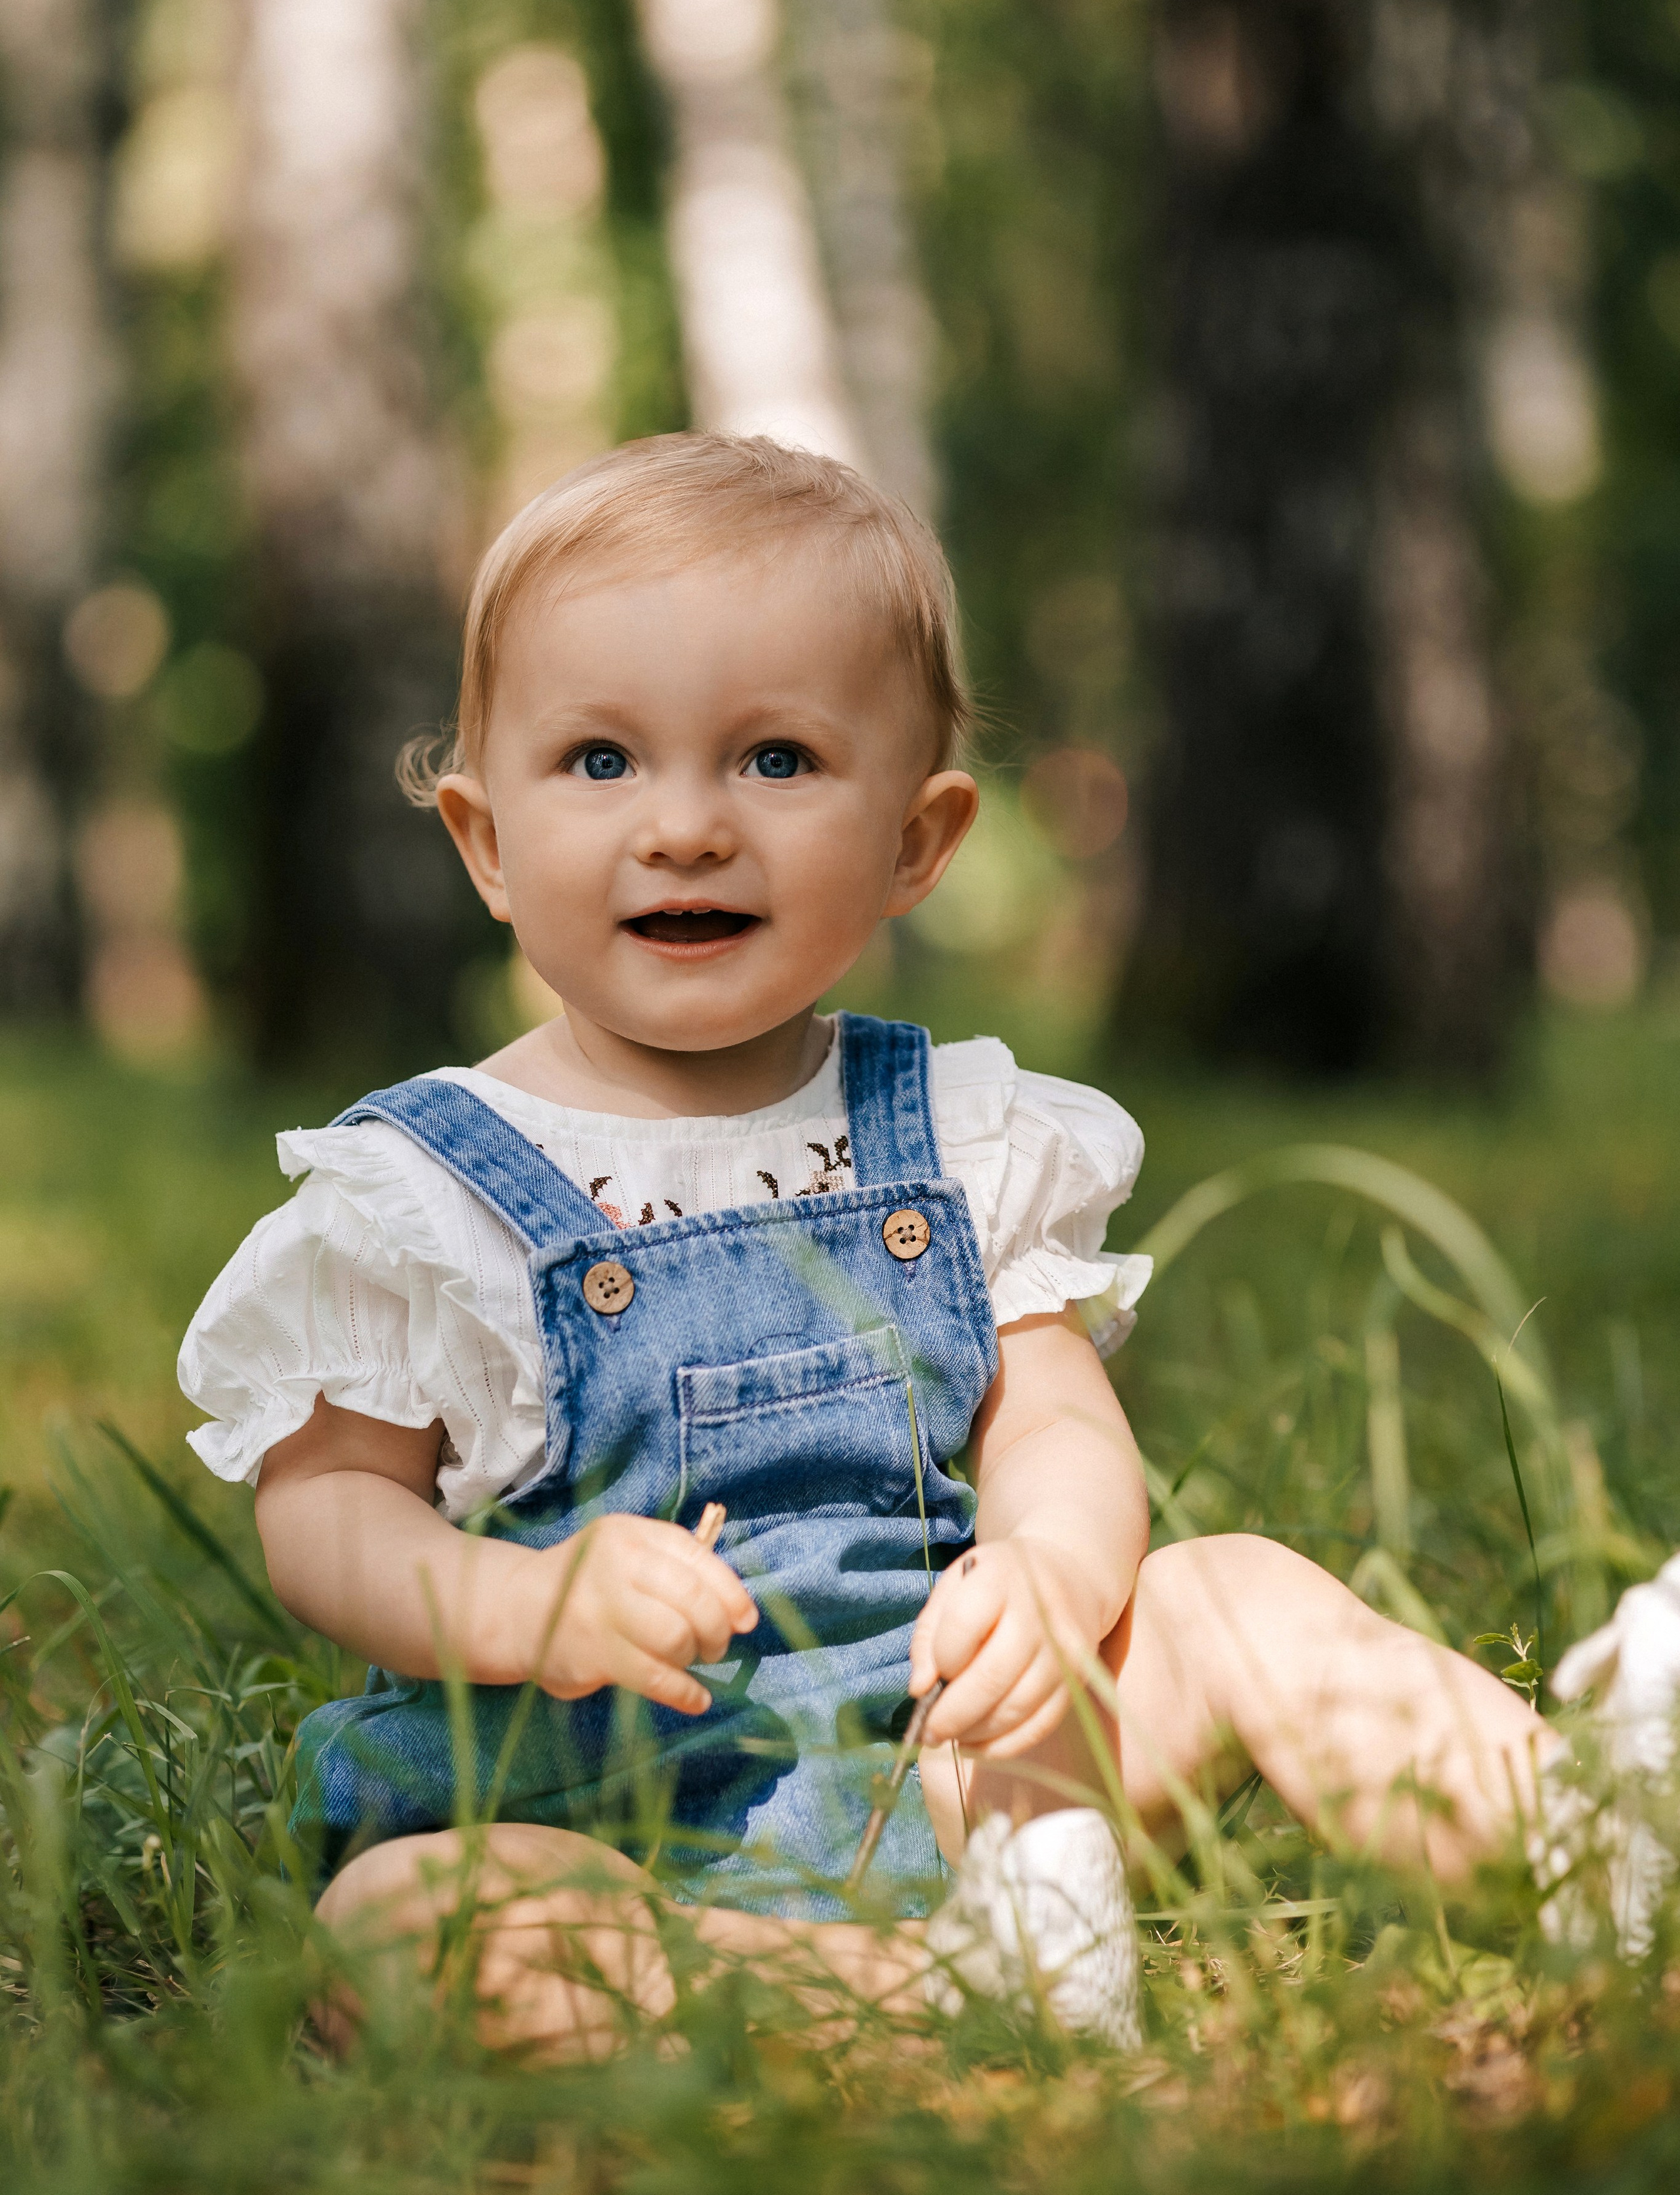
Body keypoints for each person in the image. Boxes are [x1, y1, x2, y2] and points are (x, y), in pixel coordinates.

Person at [180, 435, 1559, 2060]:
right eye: (601, 762)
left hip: (975, 1766)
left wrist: (1052, 1572)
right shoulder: (426, 1191)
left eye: (773, 760)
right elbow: (328, 1508)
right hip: (590, 1804)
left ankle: (1588, 1841)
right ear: (485, 842)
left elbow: (1047, 1421)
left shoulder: (956, 1138)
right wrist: (506, 1605)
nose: (685, 826)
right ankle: (937, 1996)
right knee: (407, 1928)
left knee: (1239, 1595)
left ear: (918, 840)